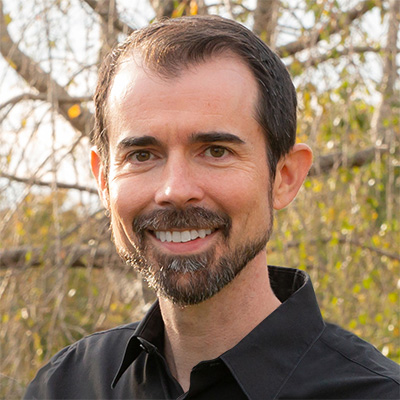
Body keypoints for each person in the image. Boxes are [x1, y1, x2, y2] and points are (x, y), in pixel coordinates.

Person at [24, 15, 399, 400]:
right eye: (142, 155)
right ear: (103, 181)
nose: (175, 190)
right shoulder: (65, 387)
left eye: (216, 151)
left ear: (284, 177)